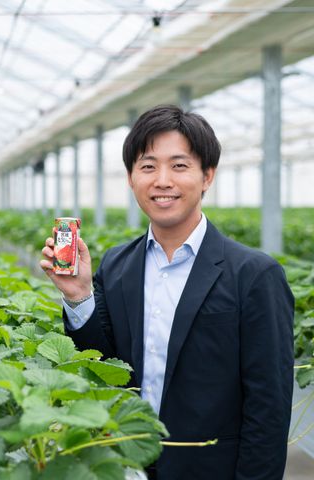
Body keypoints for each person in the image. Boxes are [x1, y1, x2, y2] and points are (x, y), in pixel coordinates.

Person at [40, 105, 294, 479]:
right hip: (126, 464)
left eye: (179, 165)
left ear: (207, 176)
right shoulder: (117, 265)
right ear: (131, 178)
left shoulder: (254, 275)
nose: (162, 180)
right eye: (147, 166)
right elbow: (103, 369)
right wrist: (79, 297)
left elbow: (268, 409)